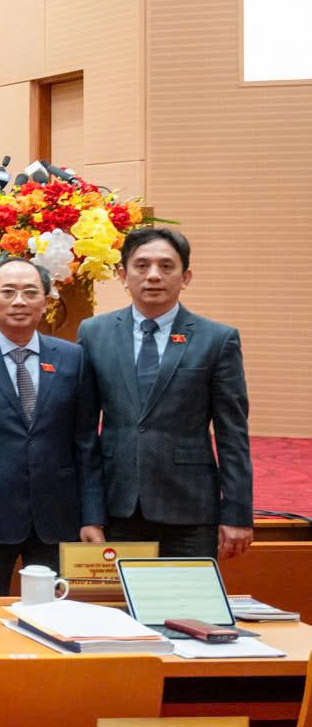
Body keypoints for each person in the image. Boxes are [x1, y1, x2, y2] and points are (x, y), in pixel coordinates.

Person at [78, 228, 253, 560]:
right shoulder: (94, 333)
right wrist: (89, 511)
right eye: (142, 265)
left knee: (188, 596)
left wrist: (237, 512)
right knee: (117, 596)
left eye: (166, 266)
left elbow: (233, 434)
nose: (153, 275)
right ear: (123, 275)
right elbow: (84, 431)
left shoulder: (217, 339)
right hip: (117, 505)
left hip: (189, 507)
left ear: (185, 277)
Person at [0, 257, 106, 584]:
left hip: (58, 518)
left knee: (55, 610)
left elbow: (86, 444)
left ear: (47, 301)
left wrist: (92, 517)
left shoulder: (73, 358)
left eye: (30, 292)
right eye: (8, 292)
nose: (19, 301)